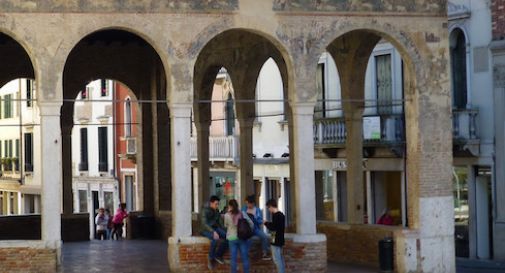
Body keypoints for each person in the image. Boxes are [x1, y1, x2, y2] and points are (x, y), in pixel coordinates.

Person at [224, 199, 253, 273]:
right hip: (242, 237)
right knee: (245, 258)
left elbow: (225, 225)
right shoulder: (242, 213)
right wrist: (248, 231)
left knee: (233, 259)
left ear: (230, 206)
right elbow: (251, 223)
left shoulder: (227, 215)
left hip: (232, 238)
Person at [200, 195, 227, 269]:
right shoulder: (204, 210)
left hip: (215, 228)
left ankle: (218, 255)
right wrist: (213, 232)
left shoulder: (216, 211)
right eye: (216, 204)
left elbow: (220, 223)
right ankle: (211, 258)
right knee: (215, 239)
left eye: (218, 204)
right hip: (205, 230)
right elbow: (204, 224)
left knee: (227, 237)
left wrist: (226, 230)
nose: (217, 206)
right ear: (211, 203)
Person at [241, 195, 271, 260]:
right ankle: (246, 255)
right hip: (246, 229)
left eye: (248, 203)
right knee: (247, 239)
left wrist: (263, 221)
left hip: (255, 228)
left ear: (252, 203)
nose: (247, 205)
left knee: (264, 237)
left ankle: (264, 253)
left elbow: (259, 220)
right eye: (246, 203)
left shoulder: (257, 210)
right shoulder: (244, 209)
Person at [264, 199, 285, 273]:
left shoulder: (276, 215)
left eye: (268, 208)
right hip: (280, 239)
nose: (268, 210)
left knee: (277, 260)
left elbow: (273, 228)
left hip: (276, 240)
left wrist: (266, 223)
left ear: (271, 206)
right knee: (281, 259)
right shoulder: (281, 215)